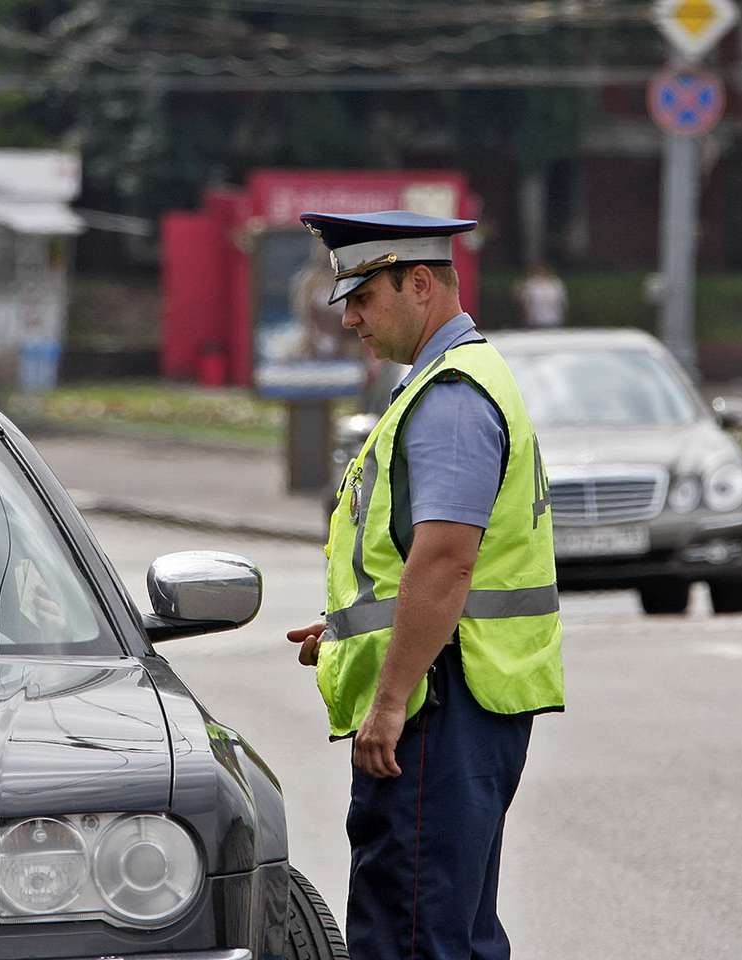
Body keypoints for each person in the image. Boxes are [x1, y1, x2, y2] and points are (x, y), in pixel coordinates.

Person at [286, 210, 565, 960]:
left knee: (412, 933)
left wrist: (388, 702)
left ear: (419, 284)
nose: (349, 318)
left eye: (362, 297)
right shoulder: (456, 383)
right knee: (452, 931)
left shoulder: (449, 399)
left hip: (438, 703)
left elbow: (445, 562)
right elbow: (417, 560)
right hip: (461, 696)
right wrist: (347, 627)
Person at [514, 260, 568, 329]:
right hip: (534, 321)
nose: (541, 272)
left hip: (555, 320)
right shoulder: (530, 284)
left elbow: (563, 303)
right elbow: (522, 303)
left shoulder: (556, 283)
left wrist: (564, 317)